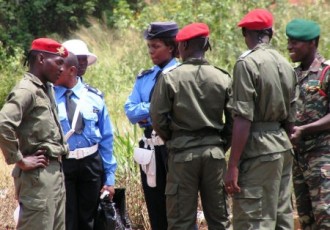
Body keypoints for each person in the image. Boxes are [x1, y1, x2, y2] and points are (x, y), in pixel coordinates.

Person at [150, 22, 232, 230]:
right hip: (214, 154)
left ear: (183, 46)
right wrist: (220, 144)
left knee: (181, 221)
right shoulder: (222, 77)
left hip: (182, 154)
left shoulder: (170, 78)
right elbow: (234, 119)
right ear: (205, 45)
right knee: (220, 219)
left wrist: (174, 139)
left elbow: (157, 119)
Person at [224, 9, 299, 230]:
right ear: (271, 33)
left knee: (253, 220)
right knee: (281, 217)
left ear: (247, 34)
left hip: (258, 150)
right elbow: (291, 120)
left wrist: (233, 165)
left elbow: (243, 118)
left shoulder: (247, 63)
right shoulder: (286, 64)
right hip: (283, 149)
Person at [0, 38, 69, 229]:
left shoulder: (46, 89)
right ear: (40, 58)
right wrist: (19, 159)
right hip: (37, 177)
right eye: (58, 62)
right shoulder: (26, 90)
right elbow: (3, 123)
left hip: (54, 173)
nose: (62, 69)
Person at [54, 42, 117, 230]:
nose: (82, 64)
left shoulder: (94, 96)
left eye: (84, 60)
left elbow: (106, 138)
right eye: (77, 59)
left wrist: (110, 178)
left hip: (91, 163)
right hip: (63, 162)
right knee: (66, 217)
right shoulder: (48, 96)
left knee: (90, 218)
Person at [124, 21, 179, 229]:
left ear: (171, 47)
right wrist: (157, 106)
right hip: (150, 147)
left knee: (178, 206)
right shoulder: (146, 77)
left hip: (173, 145)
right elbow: (130, 110)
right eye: (149, 46)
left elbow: (178, 110)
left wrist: (147, 110)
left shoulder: (181, 74)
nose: (150, 51)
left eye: (155, 46)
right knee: (155, 206)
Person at [286, 18, 330, 229]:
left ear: (312, 42)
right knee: (306, 220)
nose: (289, 46)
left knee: (325, 217)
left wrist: (304, 129)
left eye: (295, 42)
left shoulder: (326, 72)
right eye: (288, 41)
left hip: (322, 159)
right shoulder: (292, 75)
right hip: (299, 159)